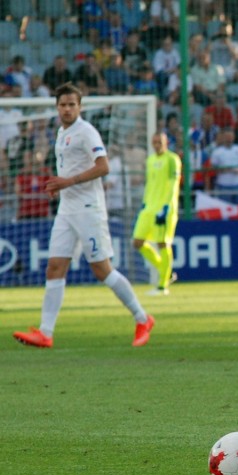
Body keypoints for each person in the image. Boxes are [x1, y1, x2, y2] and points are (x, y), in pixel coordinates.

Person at [12, 83, 154, 349]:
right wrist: (59, 186)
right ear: (57, 107)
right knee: (54, 266)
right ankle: (45, 332)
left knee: (102, 270)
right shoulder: (61, 132)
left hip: (89, 208)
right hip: (67, 209)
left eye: (72, 104)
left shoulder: (87, 132)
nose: (67, 109)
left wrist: (69, 181)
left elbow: (104, 166)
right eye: (63, 105)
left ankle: (142, 318)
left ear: (80, 106)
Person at [132, 132, 181, 296]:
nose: (157, 144)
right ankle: (165, 272)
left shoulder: (172, 159)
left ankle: (162, 286)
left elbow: (174, 184)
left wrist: (166, 207)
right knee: (137, 242)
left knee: (162, 243)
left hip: (164, 208)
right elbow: (150, 184)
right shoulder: (150, 160)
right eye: (154, 142)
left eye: (159, 141)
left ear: (166, 142)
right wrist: (145, 203)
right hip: (149, 208)